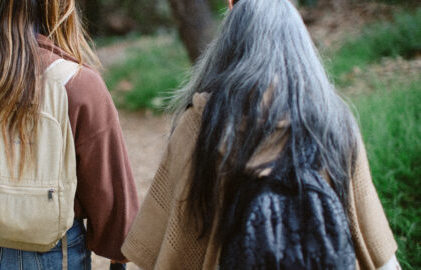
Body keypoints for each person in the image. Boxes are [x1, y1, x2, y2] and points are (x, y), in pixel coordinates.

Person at [121, 0, 400, 269]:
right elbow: (374, 240)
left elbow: (165, 240)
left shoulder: (200, 123)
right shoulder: (334, 121)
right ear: (299, 45)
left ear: (229, 45)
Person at [0, 0, 138, 269]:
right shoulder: (80, 83)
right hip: (57, 251)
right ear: (60, 8)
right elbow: (107, 180)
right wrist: (118, 248)